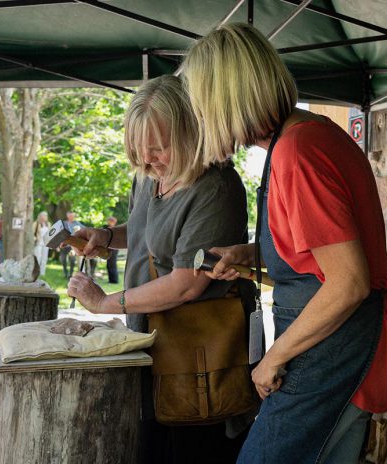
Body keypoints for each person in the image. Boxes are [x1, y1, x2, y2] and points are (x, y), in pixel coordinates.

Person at [184, 23, 387, 464]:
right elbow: (318, 254)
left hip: (337, 348)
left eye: (202, 104)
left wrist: (272, 359)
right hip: (328, 344)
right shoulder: (301, 136)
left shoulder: (299, 151)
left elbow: (347, 283)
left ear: (226, 98)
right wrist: (252, 255)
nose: (201, 117)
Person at [66, 75, 249, 464]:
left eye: (158, 148)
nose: (146, 160)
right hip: (152, 347)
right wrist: (103, 235)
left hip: (198, 358)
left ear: (188, 133)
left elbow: (186, 284)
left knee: (195, 451)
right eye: (137, 149)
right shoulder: (149, 176)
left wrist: (103, 302)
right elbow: (142, 233)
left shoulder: (214, 187)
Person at [59, 211, 82, 279]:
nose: (72, 217)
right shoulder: (64, 223)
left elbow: (85, 229)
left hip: (72, 246)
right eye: (70, 216)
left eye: (73, 216)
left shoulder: (77, 223)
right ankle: (65, 272)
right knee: (63, 259)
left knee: (72, 260)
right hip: (64, 244)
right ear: (68, 216)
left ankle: (70, 274)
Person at [33, 211, 51, 276]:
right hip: (38, 243)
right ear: (40, 216)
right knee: (38, 258)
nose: (45, 217)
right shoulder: (36, 223)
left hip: (46, 243)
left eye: (46, 216)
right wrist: (35, 238)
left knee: (44, 258)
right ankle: (36, 271)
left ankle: (42, 272)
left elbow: (50, 233)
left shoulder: (48, 224)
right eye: (43, 216)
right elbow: (32, 233)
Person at [104, 216, 119, 284]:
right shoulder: (108, 228)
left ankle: (114, 280)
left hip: (113, 250)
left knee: (112, 264)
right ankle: (111, 280)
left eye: (109, 221)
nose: (108, 222)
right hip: (109, 248)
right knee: (109, 265)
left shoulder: (115, 229)